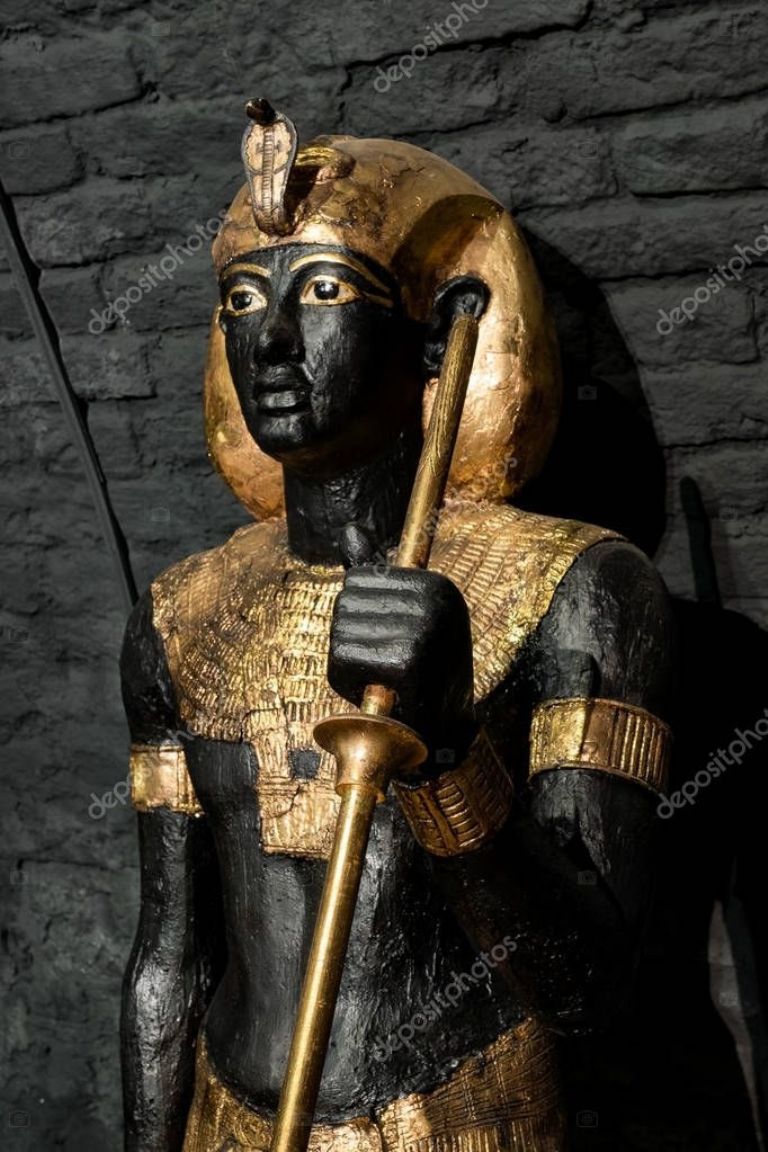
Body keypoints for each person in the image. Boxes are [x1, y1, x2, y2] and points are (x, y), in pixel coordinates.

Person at [120, 100, 674, 1151]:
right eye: (242, 298)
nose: (271, 341)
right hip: (225, 1118)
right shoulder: (182, 612)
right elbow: (168, 959)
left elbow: (591, 992)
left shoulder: (576, 585)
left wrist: (447, 754)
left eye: (325, 290)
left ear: (440, 327)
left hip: (458, 1117)